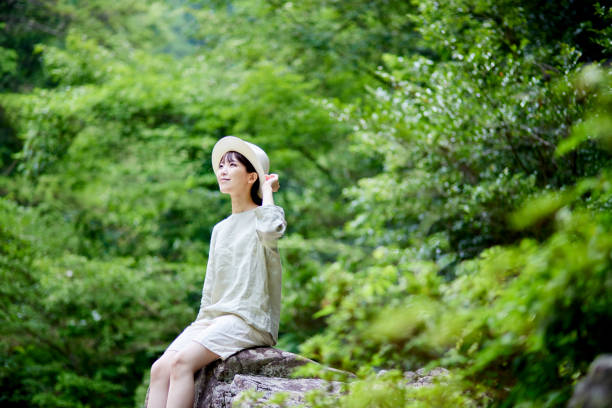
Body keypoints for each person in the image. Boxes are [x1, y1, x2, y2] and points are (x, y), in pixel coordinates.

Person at [146, 136, 287, 408]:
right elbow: (210, 290)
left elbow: (272, 229)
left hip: (248, 319)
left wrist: (268, 188)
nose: (222, 170)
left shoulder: (263, 218)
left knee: (182, 363)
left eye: (232, 165)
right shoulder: (220, 229)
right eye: (221, 165)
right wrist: (199, 327)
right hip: (215, 317)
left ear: (251, 177)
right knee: (160, 369)